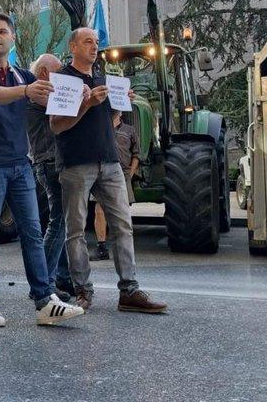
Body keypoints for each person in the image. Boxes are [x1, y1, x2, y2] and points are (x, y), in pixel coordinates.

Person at [0, 13, 84, 326]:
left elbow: (59, 106)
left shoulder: (22, 75)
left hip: (21, 166)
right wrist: (27, 91)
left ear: (12, 38)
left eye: (2, 31)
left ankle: (44, 300)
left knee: (32, 232)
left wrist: (85, 98)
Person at [51, 27, 167, 314]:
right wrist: (87, 103)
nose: (94, 47)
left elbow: (110, 120)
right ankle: (82, 292)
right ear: (73, 46)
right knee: (75, 230)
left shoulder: (103, 78)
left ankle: (129, 290)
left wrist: (120, 99)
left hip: (110, 161)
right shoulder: (63, 80)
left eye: (96, 42)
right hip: (76, 163)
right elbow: (56, 125)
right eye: (88, 42)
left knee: (123, 225)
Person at [26, 53, 74, 297]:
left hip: (47, 162)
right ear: (45, 73)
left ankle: (62, 277)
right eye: (58, 71)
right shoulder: (41, 95)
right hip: (50, 161)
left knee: (61, 221)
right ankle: (43, 282)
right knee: (59, 222)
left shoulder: (40, 95)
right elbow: (69, 107)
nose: (62, 75)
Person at [91, 109, 140, 262]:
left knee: (122, 211)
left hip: (123, 174)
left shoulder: (130, 130)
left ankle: (125, 249)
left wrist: (130, 175)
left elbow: (136, 154)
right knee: (99, 208)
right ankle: (102, 247)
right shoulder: (100, 128)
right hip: (103, 170)